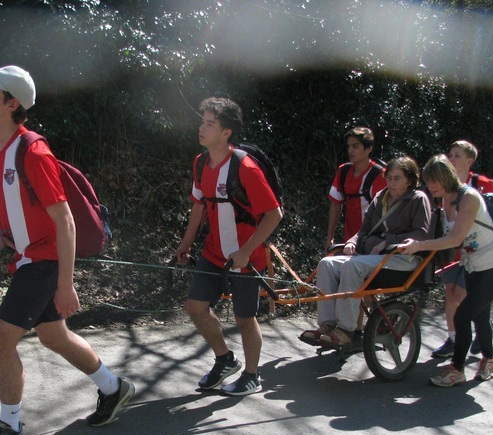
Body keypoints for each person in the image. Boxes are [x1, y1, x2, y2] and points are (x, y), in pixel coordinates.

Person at [0, 65, 135, 435]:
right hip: (28, 258)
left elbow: (66, 220)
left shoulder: (34, 150)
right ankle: (114, 388)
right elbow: (3, 196)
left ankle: (10, 427)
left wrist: (66, 283)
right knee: (53, 336)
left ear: (12, 104)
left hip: (44, 260)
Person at [174, 97, 282, 396]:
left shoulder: (244, 166)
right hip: (213, 252)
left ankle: (252, 375)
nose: (202, 128)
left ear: (226, 133)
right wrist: (185, 244)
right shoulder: (200, 163)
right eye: (202, 122)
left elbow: (274, 214)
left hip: (247, 256)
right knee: (195, 307)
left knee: (245, 318)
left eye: (210, 124)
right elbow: (198, 206)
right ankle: (225, 359)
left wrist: (246, 250)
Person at [401, 155, 493, 387]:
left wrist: (419, 245)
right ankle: (489, 359)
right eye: (428, 181)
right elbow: (448, 239)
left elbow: (455, 239)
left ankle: (457, 369)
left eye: (434, 181)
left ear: (446, 177)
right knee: (480, 315)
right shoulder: (445, 200)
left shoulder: (469, 197)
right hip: (474, 267)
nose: (430, 186)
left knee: (463, 315)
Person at [302, 156, 431, 346]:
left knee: (354, 266)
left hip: (403, 258)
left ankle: (346, 329)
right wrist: (352, 242)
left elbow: (421, 234)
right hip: (374, 256)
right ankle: (328, 324)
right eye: (389, 178)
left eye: (397, 178)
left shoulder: (418, 199)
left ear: (410, 180)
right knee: (326, 263)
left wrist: (388, 242)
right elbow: (364, 230)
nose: (391, 183)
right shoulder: (381, 197)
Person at [431, 140, 493, 359]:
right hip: (457, 253)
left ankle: (476, 337)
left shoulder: (480, 184)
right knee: (451, 295)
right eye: (449, 154)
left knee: (463, 299)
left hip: (481, 255)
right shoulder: (443, 187)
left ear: (469, 161)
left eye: (457, 155)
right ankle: (454, 339)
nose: (451, 158)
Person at [325, 127, 387, 251]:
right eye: (348, 146)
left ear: (368, 148)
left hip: (374, 241)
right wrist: (329, 238)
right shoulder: (343, 171)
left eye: (355, 146)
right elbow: (335, 205)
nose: (350, 151)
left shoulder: (381, 175)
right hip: (349, 240)